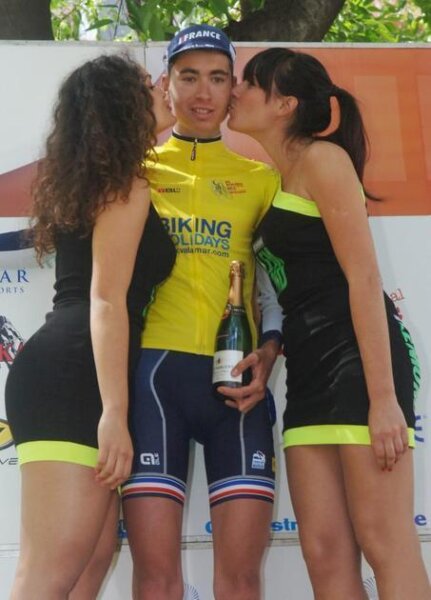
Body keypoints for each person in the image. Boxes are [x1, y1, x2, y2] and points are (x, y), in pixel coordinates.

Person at [227, 47, 431, 600]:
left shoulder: (324, 159)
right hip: (307, 375)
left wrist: (383, 400)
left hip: (358, 367)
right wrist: (270, 351)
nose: (235, 91)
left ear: (284, 104)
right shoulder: (277, 178)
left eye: (249, 82)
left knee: (385, 544)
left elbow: (364, 279)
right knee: (323, 554)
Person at [4, 53, 176, 600]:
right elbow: (105, 300)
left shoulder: (101, 183)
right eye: (147, 86)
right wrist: (114, 414)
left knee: (90, 562)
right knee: (48, 576)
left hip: (71, 371)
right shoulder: (125, 186)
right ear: (124, 107)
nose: (162, 89)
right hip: (74, 377)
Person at [121, 25, 283, 600]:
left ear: (234, 88)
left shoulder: (262, 180)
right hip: (154, 379)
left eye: (217, 78)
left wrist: (270, 351)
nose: (203, 92)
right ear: (166, 84)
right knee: (156, 580)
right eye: (188, 76)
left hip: (237, 383)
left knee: (240, 581)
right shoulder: (134, 171)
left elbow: (277, 286)